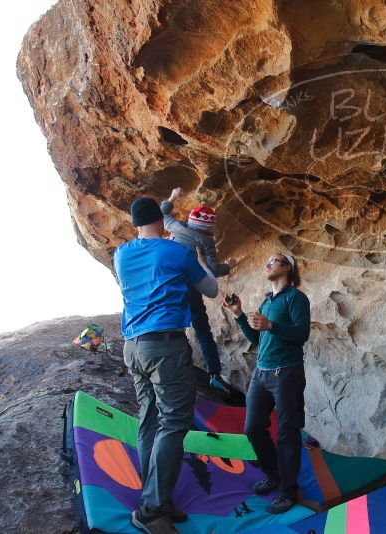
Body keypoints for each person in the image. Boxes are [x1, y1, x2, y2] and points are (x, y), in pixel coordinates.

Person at [114, 197, 219, 534]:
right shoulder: (176, 252)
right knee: (174, 423)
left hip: (133, 347)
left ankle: (156, 497)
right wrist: (196, 254)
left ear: (134, 224)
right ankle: (152, 509)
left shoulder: (121, 254)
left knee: (149, 420)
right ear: (160, 219)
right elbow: (211, 288)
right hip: (164, 346)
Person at [222, 253, 310, 514]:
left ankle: (289, 490)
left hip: (286, 373)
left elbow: (302, 334)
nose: (267, 263)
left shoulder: (296, 298)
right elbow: (257, 338)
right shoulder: (267, 301)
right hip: (262, 374)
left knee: (287, 433)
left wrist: (272, 325)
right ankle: (274, 475)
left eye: (274, 261)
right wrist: (238, 314)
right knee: (252, 428)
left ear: (287, 268)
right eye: (267, 261)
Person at [160, 187, 235, 391]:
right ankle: (214, 374)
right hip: (190, 289)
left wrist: (173, 196)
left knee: (174, 328)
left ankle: (177, 369)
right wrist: (230, 265)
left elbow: (162, 215)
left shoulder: (176, 227)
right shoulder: (206, 241)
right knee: (202, 331)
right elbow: (213, 268)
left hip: (168, 286)